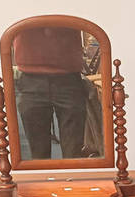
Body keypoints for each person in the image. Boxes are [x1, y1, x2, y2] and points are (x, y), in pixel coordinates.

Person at [13, 27, 87, 159]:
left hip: (67, 76)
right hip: (32, 76)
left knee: (73, 153)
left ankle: (71, 178)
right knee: (38, 153)